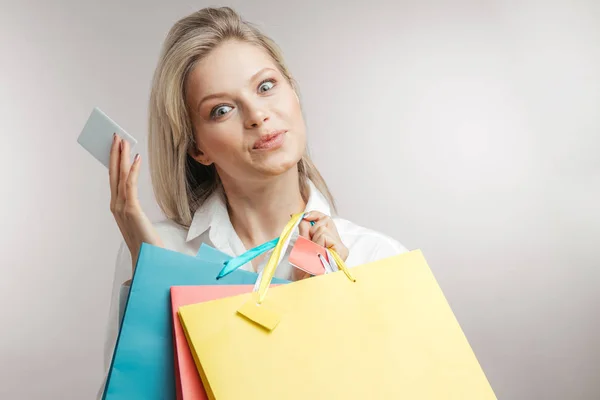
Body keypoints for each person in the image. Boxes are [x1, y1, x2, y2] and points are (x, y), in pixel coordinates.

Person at [98, 6, 408, 398]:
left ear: (293, 91)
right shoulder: (160, 250)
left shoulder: (378, 258)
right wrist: (156, 276)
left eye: (265, 86)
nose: (258, 116)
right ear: (197, 147)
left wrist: (324, 307)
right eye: (221, 109)